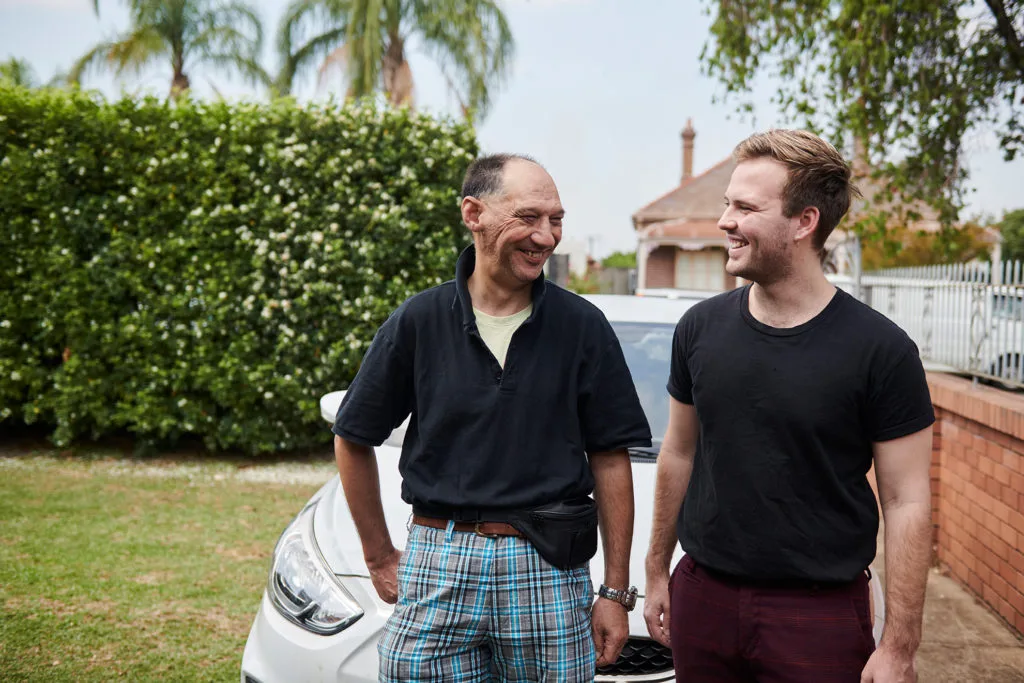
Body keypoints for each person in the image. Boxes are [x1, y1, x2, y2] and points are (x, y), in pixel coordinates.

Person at [332, 153, 652, 682]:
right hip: (438, 559)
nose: (546, 237)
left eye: (556, 220)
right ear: (473, 213)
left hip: (548, 569)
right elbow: (352, 435)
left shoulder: (583, 327)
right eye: (529, 217)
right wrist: (377, 555)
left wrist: (614, 592)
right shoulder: (418, 321)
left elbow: (611, 457)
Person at [643, 129, 935, 683]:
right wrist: (658, 568)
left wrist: (900, 644)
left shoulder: (882, 350)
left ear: (804, 223)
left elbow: (907, 500)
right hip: (702, 596)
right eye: (727, 203)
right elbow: (678, 453)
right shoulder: (699, 329)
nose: (725, 220)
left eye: (745, 207)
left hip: (817, 614)